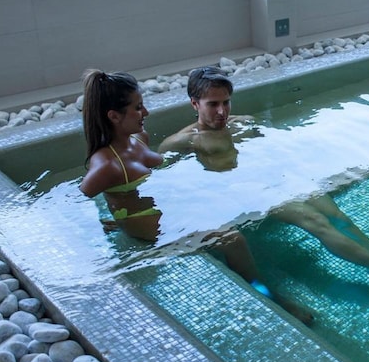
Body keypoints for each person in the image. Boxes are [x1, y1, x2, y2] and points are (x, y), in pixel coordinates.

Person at [159, 66, 369, 310]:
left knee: (339, 218)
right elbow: (169, 188)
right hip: (248, 195)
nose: (222, 111)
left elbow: (274, 154)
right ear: (194, 104)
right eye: (213, 104)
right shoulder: (182, 143)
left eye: (226, 102)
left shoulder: (244, 124)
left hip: (274, 182)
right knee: (317, 221)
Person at [78, 69, 314, 324]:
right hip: (151, 226)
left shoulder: (138, 139)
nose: (145, 112)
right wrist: (113, 222)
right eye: (137, 108)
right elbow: (75, 202)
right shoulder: (106, 165)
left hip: (163, 207)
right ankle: (273, 299)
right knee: (233, 239)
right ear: (114, 116)